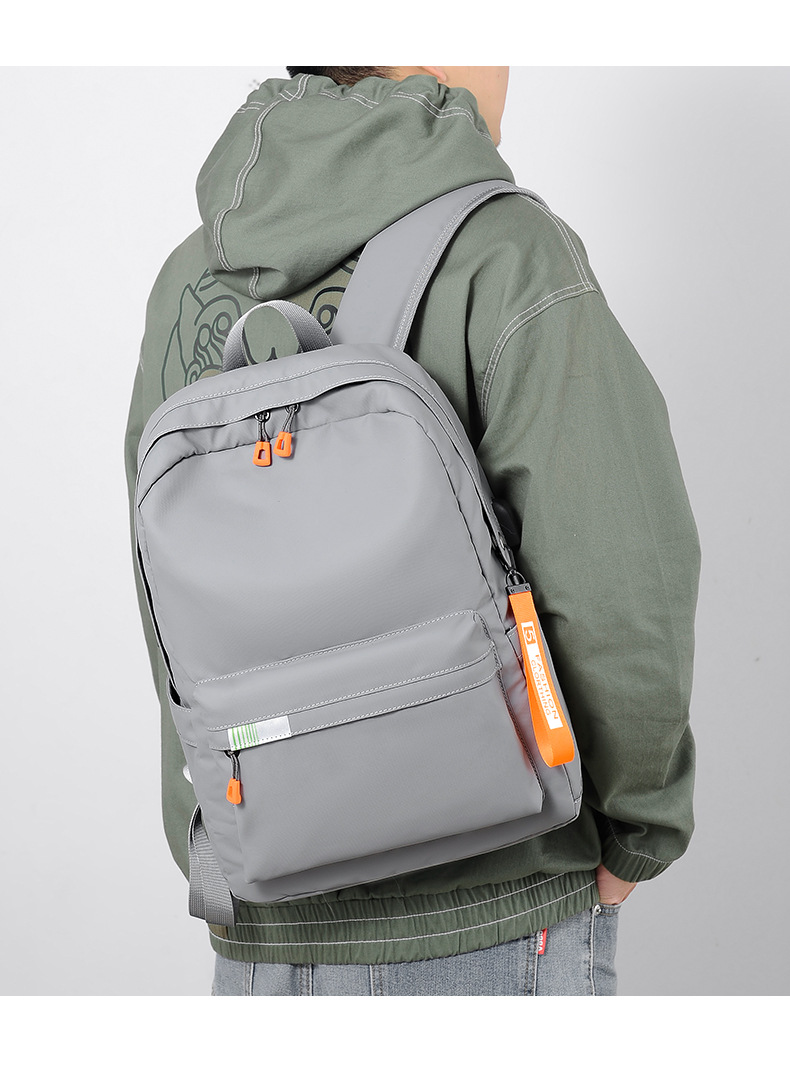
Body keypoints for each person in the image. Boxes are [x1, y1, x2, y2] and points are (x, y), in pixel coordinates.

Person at [124, 66, 700, 996]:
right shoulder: (507, 252)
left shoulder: (188, 280)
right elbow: (622, 577)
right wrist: (641, 827)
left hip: (263, 914)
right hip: (494, 909)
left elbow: (171, 623)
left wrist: (220, 842)